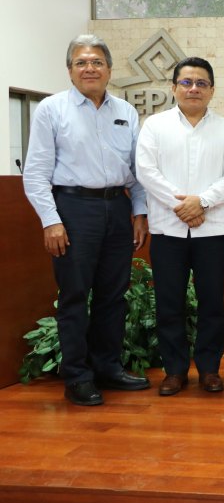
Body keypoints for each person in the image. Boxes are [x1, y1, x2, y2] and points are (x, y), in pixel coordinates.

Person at [23, 35, 150, 406]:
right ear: (70, 70)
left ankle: (108, 367)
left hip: (117, 208)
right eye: (81, 62)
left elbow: (136, 171)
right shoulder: (51, 109)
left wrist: (139, 212)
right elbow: (35, 173)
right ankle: (77, 376)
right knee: (75, 297)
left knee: (114, 295)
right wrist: (51, 220)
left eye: (96, 62)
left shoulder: (126, 112)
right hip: (73, 210)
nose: (89, 68)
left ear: (109, 70)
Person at [135, 57, 224, 395]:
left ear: (212, 90)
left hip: (211, 229)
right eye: (186, 82)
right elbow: (146, 171)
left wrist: (203, 202)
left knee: (212, 302)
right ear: (174, 88)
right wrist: (181, 205)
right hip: (168, 229)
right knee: (169, 303)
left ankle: (210, 369)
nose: (193, 88)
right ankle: (175, 371)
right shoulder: (155, 126)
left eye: (201, 83)